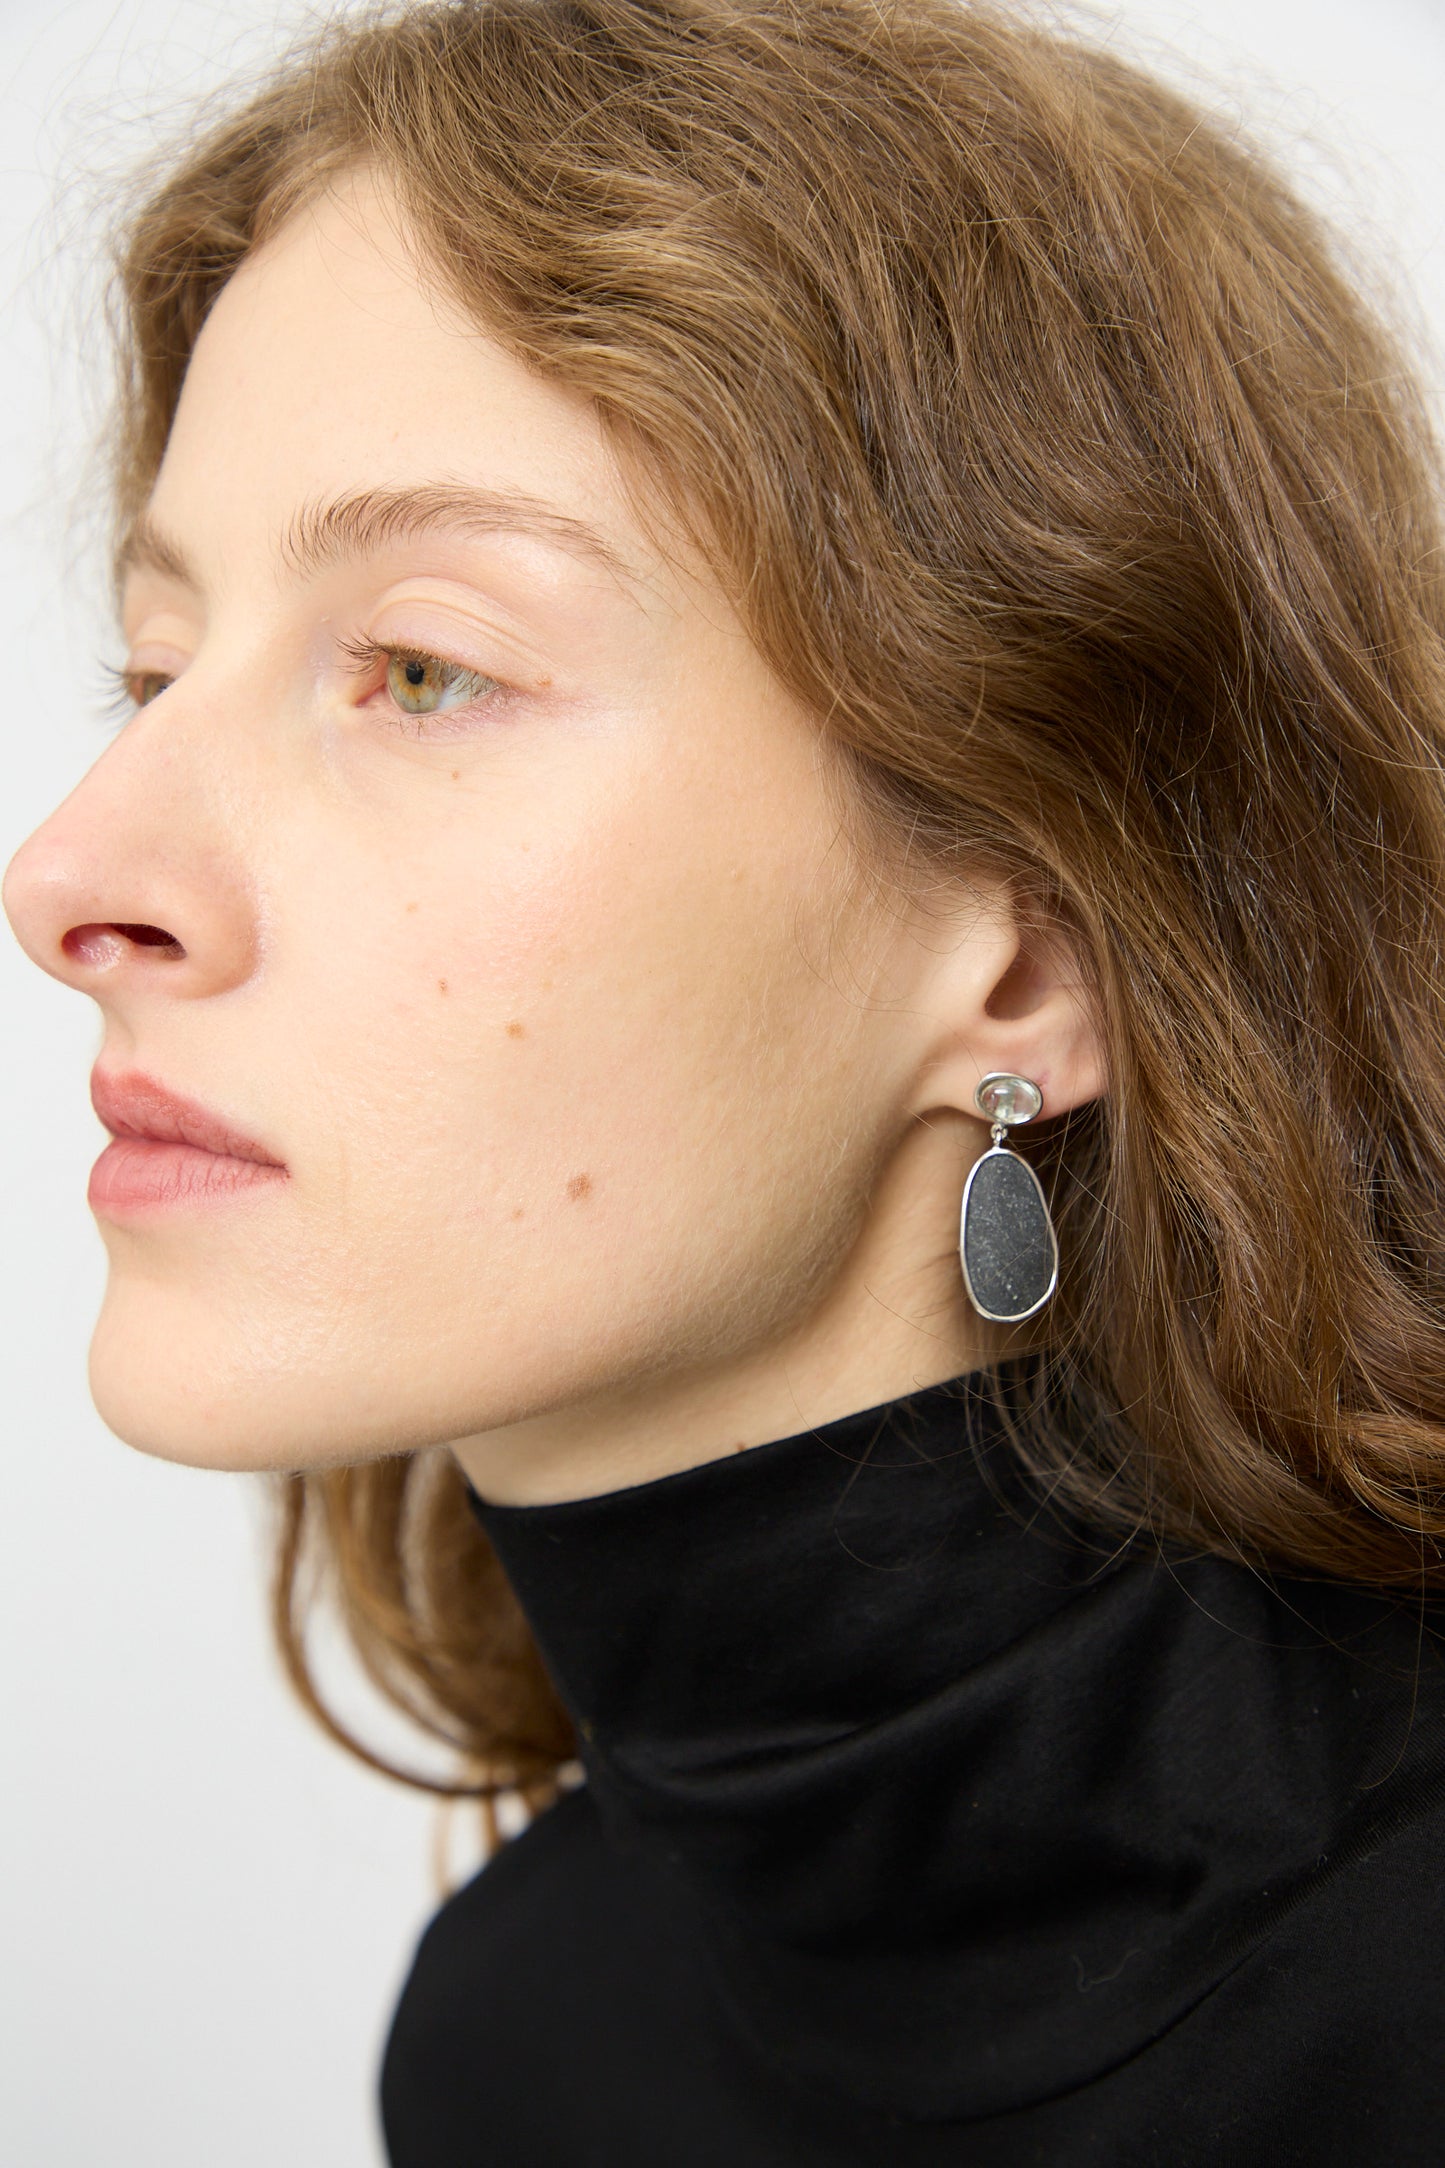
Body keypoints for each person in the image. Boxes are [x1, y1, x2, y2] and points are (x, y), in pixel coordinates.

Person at [6, 0, 1445, 2158]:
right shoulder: (520, 2036)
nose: (72, 876)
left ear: (1035, 949)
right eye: (151, 668)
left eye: (422, 668)